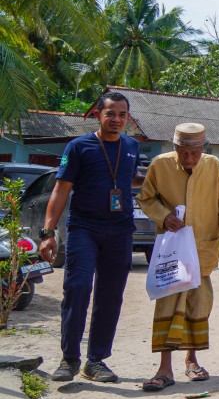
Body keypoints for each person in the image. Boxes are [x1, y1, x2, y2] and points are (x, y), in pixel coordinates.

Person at [39, 91, 143, 383]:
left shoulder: (132, 146)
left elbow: (131, 178)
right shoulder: (78, 147)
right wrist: (48, 232)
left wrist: (157, 179)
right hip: (84, 228)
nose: (117, 119)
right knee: (78, 287)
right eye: (111, 113)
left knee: (110, 296)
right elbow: (61, 190)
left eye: (122, 115)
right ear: (98, 115)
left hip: (120, 230)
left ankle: (96, 361)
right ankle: (70, 359)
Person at [137, 123, 219, 392]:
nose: (189, 159)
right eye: (184, 153)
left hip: (202, 248)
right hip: (171, 250)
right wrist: (164, 216)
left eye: (194, 153)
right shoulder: (160, 165)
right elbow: (146, 198)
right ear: (175, 148)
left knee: (198, 305)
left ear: (202, 149)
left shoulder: (214, 166)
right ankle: (164, 368)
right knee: (167, 304)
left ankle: (192, 360)